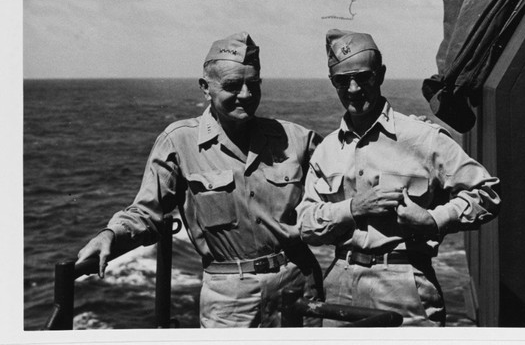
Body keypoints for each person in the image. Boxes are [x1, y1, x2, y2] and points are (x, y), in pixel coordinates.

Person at [77, 32, 322, 328]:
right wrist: (111, 234)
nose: (246, 94)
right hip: (231, 302)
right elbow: (147, 212)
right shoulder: (179, 143)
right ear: (205, 88)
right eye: (232, 86)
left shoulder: (296, 139)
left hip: (297, 285)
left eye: (253, 84)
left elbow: (342, 184)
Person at [297, 29, 501, 327]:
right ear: (333, 83)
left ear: (380, 75)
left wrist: (433, 220)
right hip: (341, 284)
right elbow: (304, 224)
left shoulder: (422, 139)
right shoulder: (327, 150)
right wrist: (352, 209)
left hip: (404, 285)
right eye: (342, 80)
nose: (353, 89)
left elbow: (486, 193)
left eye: (363, 77)